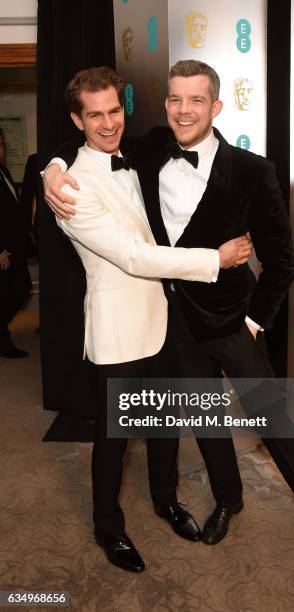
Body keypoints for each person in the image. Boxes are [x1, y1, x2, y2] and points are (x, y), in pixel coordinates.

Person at [43, 60, 294, 570]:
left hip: (232, 323)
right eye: (175, 100)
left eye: (196, 100)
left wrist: (253, 322)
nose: (184, 111)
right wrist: (50, 167)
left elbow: (283, 263)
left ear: (217, 106)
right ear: (164, 105)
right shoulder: (145, 149)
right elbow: (81, 149)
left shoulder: (253, 170)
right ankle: (229, 500)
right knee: (206, 424)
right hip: (174, 325)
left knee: (276, 424)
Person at [45, 66, 252, 573]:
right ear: (78, 120)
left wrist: (47, 161)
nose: (108, 123)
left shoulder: (138, 153)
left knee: (164, 427)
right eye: (95, 115)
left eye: (115, 110)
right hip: (118, 330)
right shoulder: (70, 188)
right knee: (113, 442)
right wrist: (214, 261)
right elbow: (135, 257)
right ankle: (107, 530)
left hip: (164, 322)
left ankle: (165, 500)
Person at [0, 128, 32, 358]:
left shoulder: (3, 172)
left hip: (14, 245)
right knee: (13, 290)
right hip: (3, 249)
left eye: (0, 144)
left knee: (21, 287)